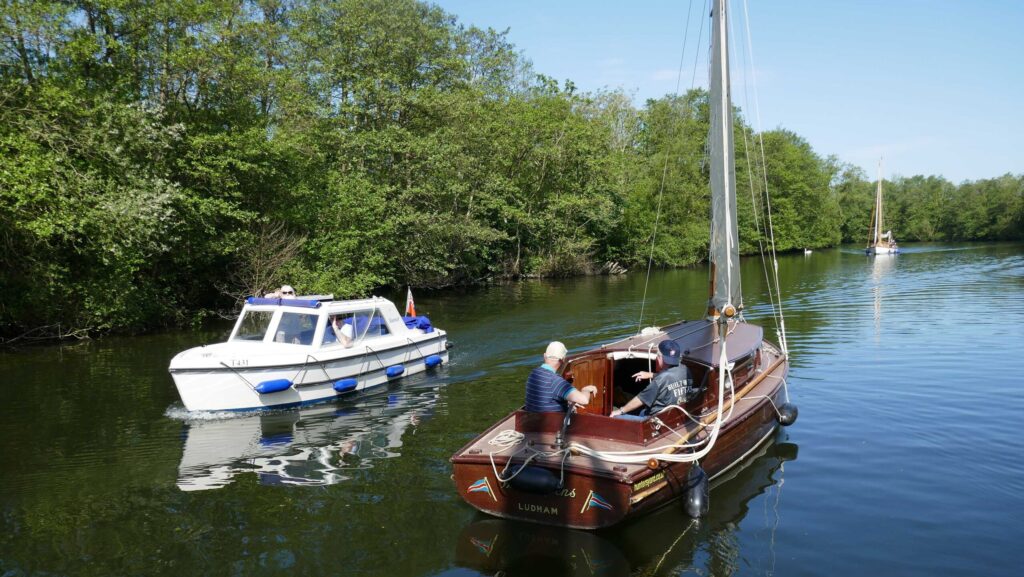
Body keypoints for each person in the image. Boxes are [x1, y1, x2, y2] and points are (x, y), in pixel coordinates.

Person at [611, 339, 694, 419]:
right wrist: (651, 375)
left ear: (659, 357)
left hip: (655, 419)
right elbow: (670, 376)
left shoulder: (660, 380)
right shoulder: (686, 369)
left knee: (615, 416)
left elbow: (641, 399)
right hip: (677, 413)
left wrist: (620, 411)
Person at [525, 341, 598, 412]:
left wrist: (568, 400)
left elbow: (547, 397)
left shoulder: (533, 374)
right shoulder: (556, 381)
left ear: (544, 356)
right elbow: (584, 400)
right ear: (563, 360)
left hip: (533, 420)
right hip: (554, 423)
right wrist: (585, 390)